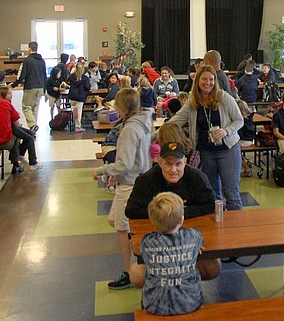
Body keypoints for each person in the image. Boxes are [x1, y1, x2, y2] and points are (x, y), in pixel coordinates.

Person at [125, 140, 221, 280]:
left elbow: (211, 204)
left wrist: (181, 213)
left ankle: (183, 282)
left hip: (188, 234)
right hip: (158, 236)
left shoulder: (197, 177)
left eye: (178, 164)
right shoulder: (146, 180)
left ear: (185, 162)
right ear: (159, 161)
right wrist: (163, 216)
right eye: (168, 164)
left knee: (212, 268)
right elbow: (131, 211)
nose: (173, 169)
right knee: (138, 276)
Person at [94, 88, 153, 290]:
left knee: (123, 228)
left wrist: (102, 170)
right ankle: (138, 265)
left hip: (130, 184)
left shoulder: (129, 129)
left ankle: (130, 271)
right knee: (115, 221)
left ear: (120, 107)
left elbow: (123, 164)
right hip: (137, 181)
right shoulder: (142, 122)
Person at [169, 65, 244, 210]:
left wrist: (226, 131)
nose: (208, 83)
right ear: (197, 81)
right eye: (204, 79)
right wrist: (150, 135)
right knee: (212, 193)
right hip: (206, 152)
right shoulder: (192, 102)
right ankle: (218, 227)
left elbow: (239, 120)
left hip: (228, 150)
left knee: (231, 193)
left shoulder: (224, 97)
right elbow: (176, 121)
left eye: (211, 79)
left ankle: (236, 229)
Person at [129, 192, 206, 316]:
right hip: (191, 303)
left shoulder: (147, 242)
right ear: (181, 219)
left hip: (153, 306)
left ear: (152, 221)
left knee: (137, 268)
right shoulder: (193, 236)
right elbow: (199, 237)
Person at [0, 87, 41, 170]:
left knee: (30, 133)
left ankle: (20, 154)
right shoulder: (6, 104)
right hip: (10, 128)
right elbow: (15, 120)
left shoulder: (3, 103)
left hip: (10, 126)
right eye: (9, 93)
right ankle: (33, 163)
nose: (11, 95)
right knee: (30, 138)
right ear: (3, 95)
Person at [12, 40, 48, 133]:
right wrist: (45, 89)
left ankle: (33, 125)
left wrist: (15, 84)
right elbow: (45, 75)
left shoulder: (27, 60)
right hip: (40, 87)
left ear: (29, 49)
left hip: (30, 87)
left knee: (26, 107)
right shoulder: (42, 61)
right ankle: (33, 131)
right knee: (35, 108)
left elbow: (22, 75)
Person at [68, 62, 92, 132]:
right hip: (80, 96)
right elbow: (87, 87)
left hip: (72, 95)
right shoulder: (85, 78)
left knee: (74, 107)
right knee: (79, 111)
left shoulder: (72, 76)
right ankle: (77, 127)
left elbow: (68, 82)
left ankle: (73, 111)